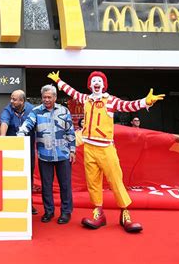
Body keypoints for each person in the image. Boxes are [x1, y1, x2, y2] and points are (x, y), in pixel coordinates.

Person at [48, 70, 164, 233]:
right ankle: (99, 214)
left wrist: (146, 102)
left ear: (103, 85)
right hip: (89, 148)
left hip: (105, 148)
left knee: (116, 180)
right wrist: (58, 81)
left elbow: (127, 105)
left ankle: (125, 213)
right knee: (93, 183)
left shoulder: (110, 101)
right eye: (94, 81)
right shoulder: (86, 99)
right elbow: (71, 92)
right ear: (90, 85)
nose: (96, 83)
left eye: (99, 81)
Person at [17, 85, 76, 225]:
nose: (47, 100)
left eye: (49, 97)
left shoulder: (64, 110)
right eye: (44, 97)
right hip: (45, 155)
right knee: (46, 185)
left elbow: (70, 131)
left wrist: (73, 150)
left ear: (55, 97)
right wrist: (20, 134)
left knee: (65, 185)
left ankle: (66, 212)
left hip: (63, 154)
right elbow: (28, 124)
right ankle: (49, 211)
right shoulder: (36, 111)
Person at [0, 89, 38, 214]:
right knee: (11, 177)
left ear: (22, 101)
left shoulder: (32, 110)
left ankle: (28, 204)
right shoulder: (8, 109)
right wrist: (2, 137)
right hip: (12, 151)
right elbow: (4, 122)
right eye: (11, 98)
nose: (11, 101)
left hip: (28, 150)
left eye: (14, 99)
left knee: (28, 177)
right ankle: (11, 204)